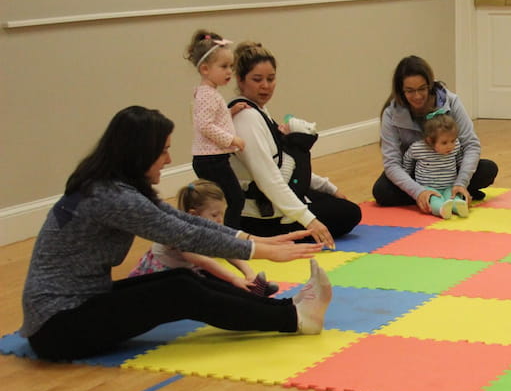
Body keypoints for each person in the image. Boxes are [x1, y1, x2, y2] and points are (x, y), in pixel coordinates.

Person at [20, 106, 332, 361]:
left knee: (182, 280)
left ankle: (290, 310)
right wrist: (260, 252)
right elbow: (183, 234)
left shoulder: (111, 186)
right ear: (139, 154)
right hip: (57, 328)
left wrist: (254, 241)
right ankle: (294, 320)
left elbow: (182, 221)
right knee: (179, 293)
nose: (169, 160)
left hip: (75, 308)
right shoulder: (113, 197)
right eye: (164, 151)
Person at [229, 41, 361, 250]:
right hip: (261, 217)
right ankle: (280, 236)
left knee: (339, 204)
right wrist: (310, 221)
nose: (266, 86)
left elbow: (286, 164)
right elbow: (269, 180)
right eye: (257, 79)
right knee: (349, 214)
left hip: (274, 201)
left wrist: (329, 187)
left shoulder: (260, 112)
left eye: (271, 79)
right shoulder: (246, 118)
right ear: (240, 80)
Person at [373, 54, 498, 211]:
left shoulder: (451, 102)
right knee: (381, 191)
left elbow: (471, 145)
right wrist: (418, 191)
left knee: (488, 169)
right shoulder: (391, 113)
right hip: (417, 174)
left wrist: (461, 182)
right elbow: (392, 163)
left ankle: (454, 191)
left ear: (430, 85)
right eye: (410, 91)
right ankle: (440, 198)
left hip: (450, 170)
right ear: (401, 90)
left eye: (422, 89)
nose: (417, 96)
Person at [130, 179, 278, 296]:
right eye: (214, 215)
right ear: (194, 214)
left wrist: (249, 274)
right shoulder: (181, 232)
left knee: (219, 281)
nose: (220, 220)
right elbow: (204, 261)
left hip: (189, 272)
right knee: (215, 287)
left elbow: (229, 249)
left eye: (222, 214)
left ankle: (251, 290)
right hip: (165, 279)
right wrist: (235, 279)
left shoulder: (210, 226)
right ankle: (245, 293)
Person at [185, 29, 246, 229]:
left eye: (231, 66)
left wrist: (230, 112)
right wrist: (232, 140)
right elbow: (205, 126)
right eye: (224, 66)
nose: (230, 71)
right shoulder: (207, 94)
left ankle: (221, 235)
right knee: (234, 200)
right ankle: (228, 237)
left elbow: (212, 119)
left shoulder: (208, 92)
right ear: (205, 69)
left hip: (212, 159)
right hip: (211, 160)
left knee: (224, 201)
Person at [403, 110, 470, 219]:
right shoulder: (418, 148)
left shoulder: (456, 146)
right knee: (434, 200)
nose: (450, 146)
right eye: (444, 142)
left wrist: (460, 177)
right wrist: (407, 174)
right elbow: (407, 159)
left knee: (453, 196)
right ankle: (441, 209)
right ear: (430, 141)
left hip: (449, 185)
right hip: (429, 187)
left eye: (452, 140)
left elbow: (459, 159)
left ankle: (458, 207)